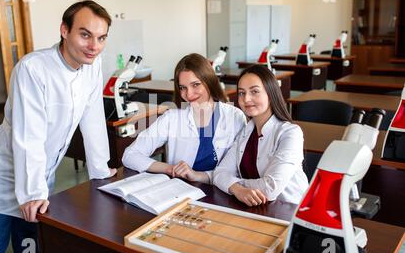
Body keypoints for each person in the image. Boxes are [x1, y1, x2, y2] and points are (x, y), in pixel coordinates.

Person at [0, 0, 117, 253]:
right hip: (2, 178)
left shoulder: (93, 66)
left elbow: (93, 117)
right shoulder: (33, 69)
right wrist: (33, 192)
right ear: (64, 30)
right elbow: (29, 135)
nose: (93, 46)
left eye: (101, 38)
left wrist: (100, 170)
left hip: (40, 178)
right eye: (85, 35)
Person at [122, 53, 246, 183]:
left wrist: (197, 175)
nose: (189, 94)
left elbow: (239, 168)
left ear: (209, 81)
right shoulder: (172, 118)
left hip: (222, 192)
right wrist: (170, 169)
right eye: (183, 88)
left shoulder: (235, 117)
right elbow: (130, 155)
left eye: (196, 85)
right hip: (181, 192)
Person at [213, 64, 308, 206]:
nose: (246, 99)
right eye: (241, 93)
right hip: (256, 210)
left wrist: (234, 183)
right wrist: (237, 189)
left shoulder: (290, 133)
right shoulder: (246, 131)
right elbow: (220, 173)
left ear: (270, 94)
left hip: (289, 211)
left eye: (254, 92)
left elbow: (270, 188)